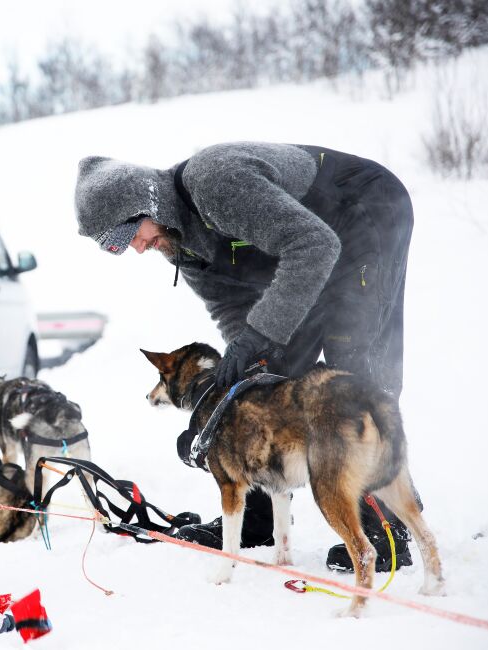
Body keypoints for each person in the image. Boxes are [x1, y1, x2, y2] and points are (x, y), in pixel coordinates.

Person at [74, 142, 416, 572]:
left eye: (130, 236)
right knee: (272, 378)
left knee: (351, 363)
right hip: (311, 252)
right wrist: (250, 354)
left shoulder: (217, 184)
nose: (137, 249)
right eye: (120, 247)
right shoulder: (178, 242)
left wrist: (261, 333)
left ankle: (385, 527)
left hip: (362, 211)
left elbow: (314, 244)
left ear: (145, 203)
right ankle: (257, 520)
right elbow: (232, 306)